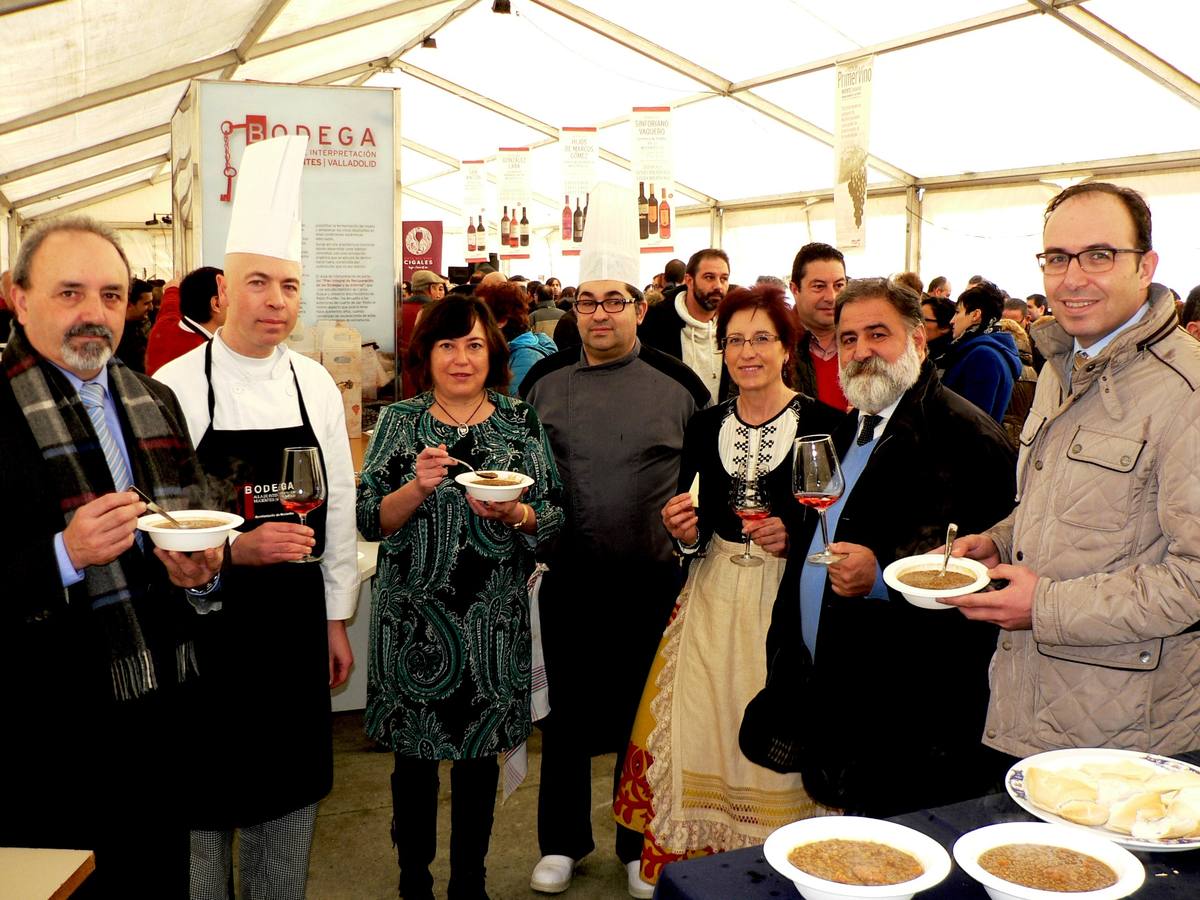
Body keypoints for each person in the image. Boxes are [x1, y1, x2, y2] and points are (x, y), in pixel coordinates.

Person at [155, 136, 357, 899]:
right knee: (203, 805)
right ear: (222, 294)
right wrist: (237, 548)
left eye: (291, 287)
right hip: (204, 632)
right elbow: (160, 520)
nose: (277, 301)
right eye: (260, 283)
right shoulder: (174, 384)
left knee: (287, 801)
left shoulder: (314, 383)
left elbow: (335, 510)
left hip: (290, 627)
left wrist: (336, 618)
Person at [0, 216, 224, 897]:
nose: (93, 314)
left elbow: (194, 532)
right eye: (70, 293)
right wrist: (64, 555)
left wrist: (201, 576)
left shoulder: (154, 399)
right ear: (18, 296)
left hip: (160, 718)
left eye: (110, 294)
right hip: (46, 737)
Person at [740, 276, 1016, 817]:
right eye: (848, 338)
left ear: (917, 341)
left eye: (877, 334)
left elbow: (989, 573)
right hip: (839, 692)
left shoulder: (966, 438)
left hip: (910, 713)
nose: (861, 351)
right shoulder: (851, 428)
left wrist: (884, 578)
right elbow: (841, 526)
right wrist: (791, 539)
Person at [946, 182, 1200, 760]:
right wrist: (1000, 543)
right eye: (1057, 258)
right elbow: (1064, 509)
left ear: (1147, 266)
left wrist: (1047, 606)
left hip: (1129, 735)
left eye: (1099, 255)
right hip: (1033, 703)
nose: (1073, 276)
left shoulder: (1188, 391)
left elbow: (1196, 578)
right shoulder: (1065, 366)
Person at [615, 285, 844, 888]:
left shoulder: (829, 425)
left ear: (786, 347)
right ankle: (695, 856)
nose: (748, 352)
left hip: (789, 601)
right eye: (735, 340)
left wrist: (797, 542)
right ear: (721, 351)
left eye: (761, 338)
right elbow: (693, 520)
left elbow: (842, 528)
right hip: (713, 590)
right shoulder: (704, 423)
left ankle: (783, 862)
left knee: (779, 718)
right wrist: (682, 530)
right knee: (700, 719)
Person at [520, 183, 709, 899]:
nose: (599, 314)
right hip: (566, 578)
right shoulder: (542, 381)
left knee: (645, 719)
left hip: (651, 582)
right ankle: (562, 842)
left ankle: (638, 842)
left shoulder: (678, 384)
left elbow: (705, 479)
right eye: (587, 301)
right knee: (563, 720)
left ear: (639, 306)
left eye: (614, 300)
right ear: (573, 311)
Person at [358, 294, 564, 900]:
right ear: (426, 353)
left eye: (473, 344)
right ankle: (413, 880)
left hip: (492, 623)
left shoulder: (518, 420)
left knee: (478, 763)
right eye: (447, 344)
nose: (460, 357)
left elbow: (552, 513)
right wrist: (416, 489)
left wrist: (518, 512)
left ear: (493, 352)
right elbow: (371, 518)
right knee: (413, 766)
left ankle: (469, 881)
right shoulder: (399, 422)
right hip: (412, 624)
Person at [639, 248, 731, 402]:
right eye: (709, 277)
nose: (718, 286)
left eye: (724, 279)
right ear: (689, 280)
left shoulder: (733, 326)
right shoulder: (654, 323)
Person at [938, 280, 1021, 423]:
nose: (952, 320)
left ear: (975, 315)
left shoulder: (984, 356)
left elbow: (972, 423)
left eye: (958, 312)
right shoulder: (985, 351)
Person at [788, 242, 849, 411]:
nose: (831, 297)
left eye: (839, 285)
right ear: (794, 289)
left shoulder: (865, 342)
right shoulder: (774, 342)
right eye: (819, 286)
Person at [477, 279, 556, 394]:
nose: (475, 321)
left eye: (481, 315)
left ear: (501, 320)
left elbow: (515, 408)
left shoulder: (526, 359)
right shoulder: (508, 351)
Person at [146, 266, 225, 375]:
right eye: (232, 295)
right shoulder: (209, 360)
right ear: (216, 304)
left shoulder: (164, 327)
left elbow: (169, 310)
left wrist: (172, 289)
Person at [115, 276, 153, 372]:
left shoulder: (138, 327)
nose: (151, 308)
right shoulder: (117, 336)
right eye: (146, 303)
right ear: (129, 305)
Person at [920, 292, 955, 360]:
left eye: (922, 319)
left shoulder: (941, 360)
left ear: (945, 327)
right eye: (916, 316)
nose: (916, 323)